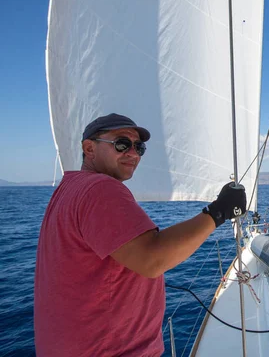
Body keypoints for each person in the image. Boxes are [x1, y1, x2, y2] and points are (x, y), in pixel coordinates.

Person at [34, 113, 246, 356]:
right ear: (89, 148)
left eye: (139, 147)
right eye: (121, 144)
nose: (133, 153)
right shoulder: (99, 189)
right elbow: (151, 259)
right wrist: (218, 212)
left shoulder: (68, 189)